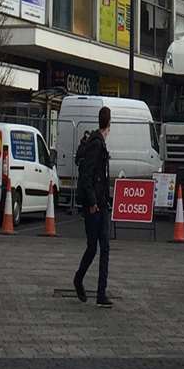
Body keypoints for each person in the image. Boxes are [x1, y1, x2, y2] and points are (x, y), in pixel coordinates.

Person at [73, 106, 112, 305]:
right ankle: (79, 280)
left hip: (101, 203)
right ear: (109, 123)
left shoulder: (98, 143)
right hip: (95, 205)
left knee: (103, 247)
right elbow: (88, 175)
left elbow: (99, 177)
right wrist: (93, 202)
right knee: (93, 248)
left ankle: (100, 293)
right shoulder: (97, 144)